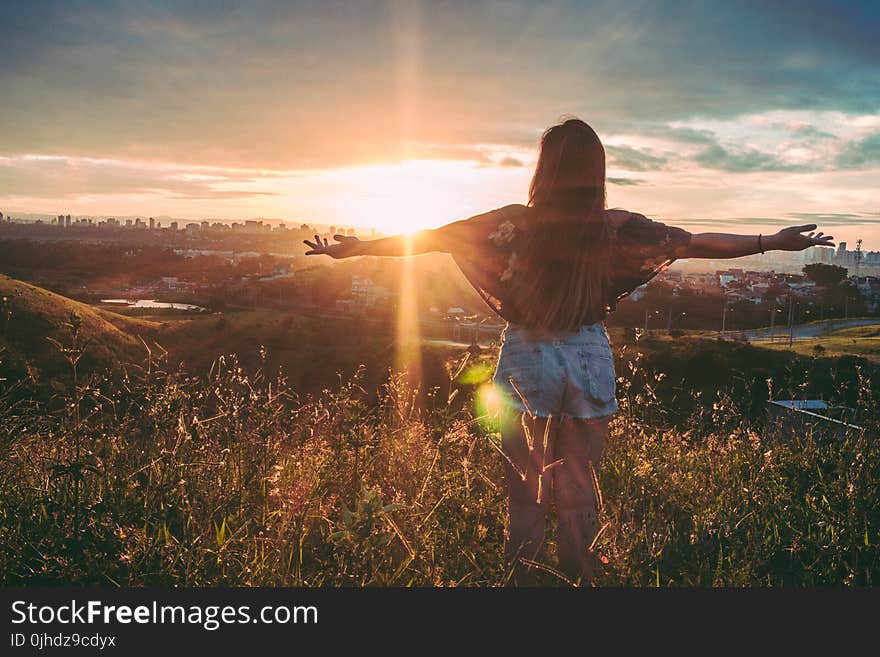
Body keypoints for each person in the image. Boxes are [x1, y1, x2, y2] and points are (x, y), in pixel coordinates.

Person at [303, 118, 835, 586]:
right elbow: (694, 241)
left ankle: (526, 583)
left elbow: (430, 237)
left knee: (526, 486)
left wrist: (354, 249)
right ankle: (579, 579)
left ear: (544, 169)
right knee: (580, 480)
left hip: (526, 354)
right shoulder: (614, 226)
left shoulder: (512, 221)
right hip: (587, 353)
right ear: (595, 170)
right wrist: (771, 240)